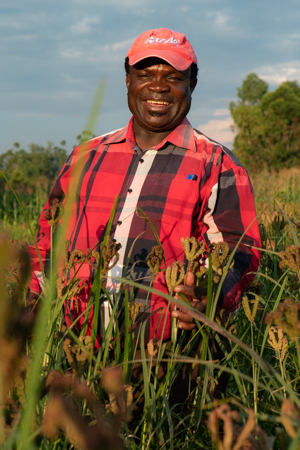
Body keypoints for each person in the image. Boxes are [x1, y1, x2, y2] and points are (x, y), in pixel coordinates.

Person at [26, 28, 261, 348]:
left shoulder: (217, 164)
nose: (158, 86)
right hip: (75, 344)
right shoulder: (87, 157)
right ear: (128, 81)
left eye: (174, 77)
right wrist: (31, 301)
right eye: (145, 74)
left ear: (191, 84)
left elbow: (240, 250)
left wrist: (210, 293)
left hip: (168, 352)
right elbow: (48, 238)